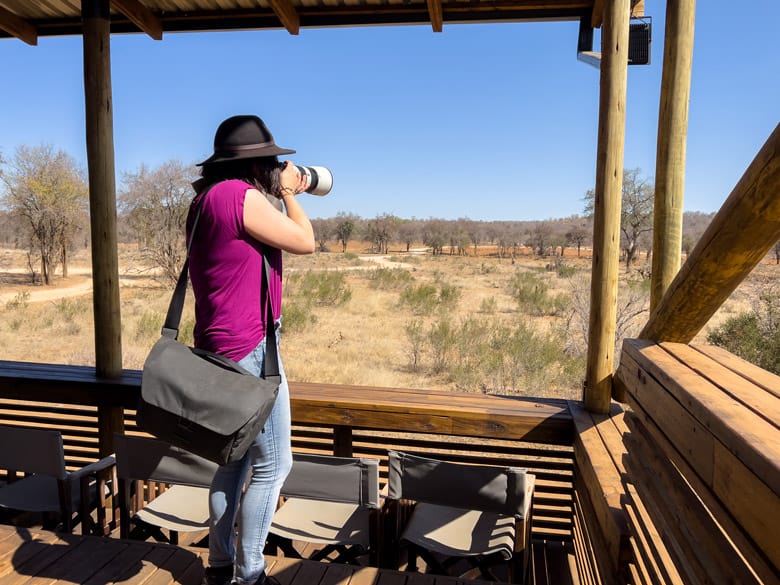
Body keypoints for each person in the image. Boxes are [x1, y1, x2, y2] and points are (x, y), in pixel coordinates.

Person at [188, 115, 315, 585]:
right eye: (273, 160)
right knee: (275, 464)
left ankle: (221, 567)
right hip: (249, 349)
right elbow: (305, 241)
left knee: (232, 462)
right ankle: (252, 574)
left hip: (215, 347)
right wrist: (288, 194)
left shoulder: (203, 200)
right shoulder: (237, 196)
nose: (278, 167)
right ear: (256, 163)